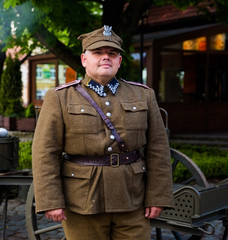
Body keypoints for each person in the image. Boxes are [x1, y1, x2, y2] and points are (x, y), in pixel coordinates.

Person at [32, 25, 174, 240]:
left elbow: (158, 150)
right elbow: (45, 153)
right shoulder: (59, 97)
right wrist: (51, 201)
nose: (105, 57)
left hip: (133, 199)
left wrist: (158, 196)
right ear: (83, 59)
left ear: (119, 61)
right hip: (82, 201)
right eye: (97, 52)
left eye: (112, 54)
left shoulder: (144, 95)